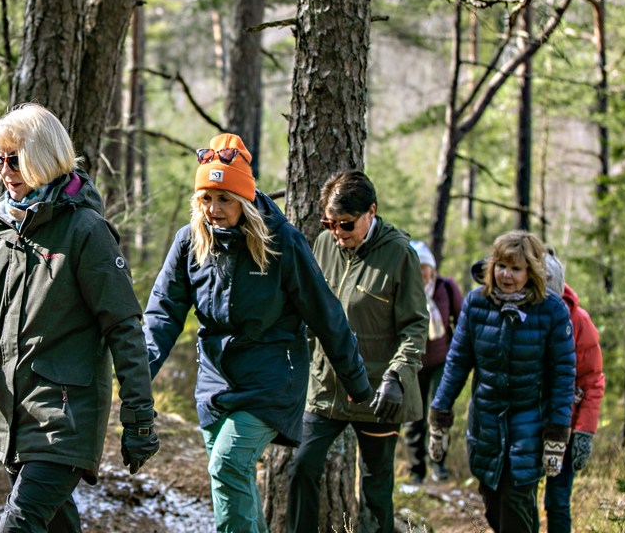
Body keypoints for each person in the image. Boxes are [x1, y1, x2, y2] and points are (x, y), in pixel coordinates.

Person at [0, 104, 159, 533]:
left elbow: (124, 327)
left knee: (19, 526)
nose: (4, 170)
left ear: (44, 156)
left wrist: (139, 418)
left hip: (64, 420)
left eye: (14, 158)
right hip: (11, 417)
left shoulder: (86, 230)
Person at [143, 134, 373, 533]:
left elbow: (325, 314)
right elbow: (163, 312)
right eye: (206, 198)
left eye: (225, 199)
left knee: (227, 466)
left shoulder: (281, 242)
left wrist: (355, 379)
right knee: (235, 484)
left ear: (245, 200)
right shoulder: (190, 241)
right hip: (215, 379)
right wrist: (137, 373)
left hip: (271, 378)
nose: (213, 209)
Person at [287, 170, 429, 533]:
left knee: (376, 487)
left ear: (371, 212)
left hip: (379, 393)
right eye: (330, 223)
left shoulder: (400, 255)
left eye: (346, 225)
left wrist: (397, 376)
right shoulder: (322, 244)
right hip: (326, 387)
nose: (337, 233)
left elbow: (415, 326)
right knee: (302, 466)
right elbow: (309, 311)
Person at [428, 231, 576, 533]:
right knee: (492, 499)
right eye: (501, 266)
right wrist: (439, 415)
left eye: (517, 269)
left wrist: (556, 435)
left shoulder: (552, 311)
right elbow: (457, 362)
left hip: (529, 424)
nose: (506, 275)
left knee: (516, 500)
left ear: (531, 272)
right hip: (486, 421)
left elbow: (563, 376)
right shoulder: (476, 304)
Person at [542, 251, 605, 533]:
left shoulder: (579, 321)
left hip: (565, 426)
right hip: (528, 424)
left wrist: (584, 433)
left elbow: (592, 379)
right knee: (519, 499)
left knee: (557, 501)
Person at [403, 240, 464, 484]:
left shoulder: (446, 287)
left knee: (439, 414)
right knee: (414, 417)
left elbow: (461, 322)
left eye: (424, 266)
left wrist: (459, 358)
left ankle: (438, 464)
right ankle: (416, 469)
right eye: (415, 266)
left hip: (442, 362)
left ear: (432, 267)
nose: (420, 272)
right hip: (413, 363)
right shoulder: (404, 289)